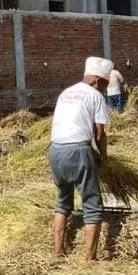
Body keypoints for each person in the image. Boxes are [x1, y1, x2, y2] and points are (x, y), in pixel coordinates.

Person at [48, 56, 113, 261]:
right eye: (105, 84)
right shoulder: (96, 96)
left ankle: (58, 252)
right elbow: (100, 133)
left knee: (63, 202)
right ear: (98, 81)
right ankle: (89, 259)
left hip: (55, 151)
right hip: (78, 152)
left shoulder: (66, 92)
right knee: (93, 205)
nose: (104, 88)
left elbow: (68, 126)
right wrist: (103, 157)